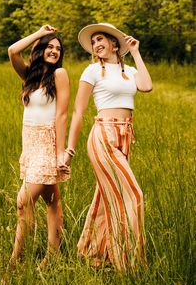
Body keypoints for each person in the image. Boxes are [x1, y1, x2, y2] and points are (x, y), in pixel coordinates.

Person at [64, 23, 152, 270]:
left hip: (125, 135)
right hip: (103, 135)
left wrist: (135, 52)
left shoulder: (131, 71)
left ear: (115, 43)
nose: (96, 45)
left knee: (107, 197)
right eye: (93, 42)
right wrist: (70, 150)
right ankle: (130, 264)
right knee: (133, 195)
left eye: (100, 39)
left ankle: (93, 252)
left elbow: (146, 86)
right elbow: (78, 112)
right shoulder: (92, 71)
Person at [7, 24, 70, 269]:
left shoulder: (59, 75)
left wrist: (60, 153)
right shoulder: (30, 76)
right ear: (41, 48)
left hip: (47, 143)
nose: (54, 51)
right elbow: (13, 51)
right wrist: (39, 33)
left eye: (58, 48)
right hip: (30, 143)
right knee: (52, 200)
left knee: (23, 202)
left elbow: (62, 115)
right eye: (50, 46)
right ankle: (53, 256)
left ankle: (15, 260)